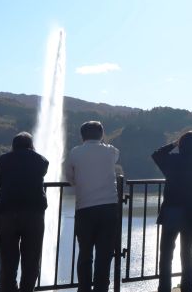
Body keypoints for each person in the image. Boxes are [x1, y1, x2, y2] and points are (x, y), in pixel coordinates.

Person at [152, 131, 192, 292]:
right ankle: (188, 287)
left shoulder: (171, 161)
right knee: (187, 252)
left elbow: (157, 154)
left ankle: (163, 287)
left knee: (166, 252)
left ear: (181, 145)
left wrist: (174, 143)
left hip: (172, 211)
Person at [66, 121, 121, 292]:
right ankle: (101, 289)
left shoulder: (75, 152)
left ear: (82, 136)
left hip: (85, 208)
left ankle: (83, 289)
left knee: (85, 254)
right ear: (102, 135)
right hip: (109, 208)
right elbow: (115, 155)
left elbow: (70, 178)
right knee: (104, 255)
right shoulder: (111, 151)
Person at [0, 132, 49, 292]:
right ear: (31, 145)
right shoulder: (41, 160)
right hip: (34, 214)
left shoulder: (4, 159)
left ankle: (8, 289)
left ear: (14, 144)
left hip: (7, 213)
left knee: (7, 257)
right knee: (31, 258)